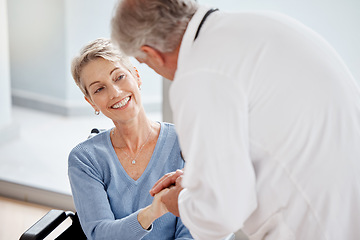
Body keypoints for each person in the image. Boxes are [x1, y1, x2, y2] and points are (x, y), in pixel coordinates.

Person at [111, 0, 360, 239]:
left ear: (151, 54)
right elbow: (275, 135)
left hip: (313, 225)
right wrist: (200, 178)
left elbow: (220, 216)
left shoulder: (199, 75)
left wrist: (176, 201)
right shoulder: (258, 26)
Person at [68, 38, 193, 240]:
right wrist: (152, 212)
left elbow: (191, 234)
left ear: (136, 76)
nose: (115, 93)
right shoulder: (84, 159)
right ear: (91, 102)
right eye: (99, 89)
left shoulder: (185, 142)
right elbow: (100, 235)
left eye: (119, 77)